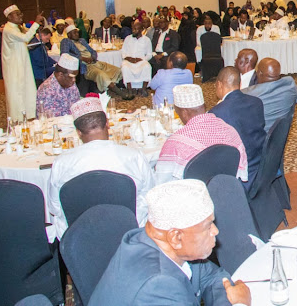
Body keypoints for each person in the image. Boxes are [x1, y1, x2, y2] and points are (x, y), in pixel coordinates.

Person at [89, 179, 252, 306]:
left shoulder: (156, 238)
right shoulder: (157, 287)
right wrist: (239, 303)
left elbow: (213, 276)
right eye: (207, 226)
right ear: (176, 237)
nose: (215, 231)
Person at [47, 97, 154, 240]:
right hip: (128, 234)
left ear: (78, 132)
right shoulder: (134, 156)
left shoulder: (62, 162)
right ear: (108, 124)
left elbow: (55, 208)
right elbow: (150, 195)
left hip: (78, 239)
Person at [156, 84, 248, 183]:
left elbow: (162, 182)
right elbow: (242, 173)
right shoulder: (230, 131)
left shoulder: (174, 143)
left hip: (192, 196)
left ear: (184, 113)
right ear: (204, 106)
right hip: (224, 193)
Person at [210, 67, 266, 190]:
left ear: (219, 84)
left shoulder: (216, 113)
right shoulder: (257, 102)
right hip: (260, 161)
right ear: (240, 84)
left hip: (239, 169)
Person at [2, 5, 45, 120]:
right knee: (17, 92)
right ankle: (17, 119)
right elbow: (26, 37)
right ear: (10, 16)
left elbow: (26, 39)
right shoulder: (9, 29)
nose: (21, 15)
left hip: (21, 63)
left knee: (26, 88)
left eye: (20, 13)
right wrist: (35, 23)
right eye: (17, 13)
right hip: (14, 66)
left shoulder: (16, 27)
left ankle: (29, 114)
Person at [60, 25, 127, 98]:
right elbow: (64, 53)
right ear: (69, 34)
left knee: (116, 70)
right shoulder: (66, 41)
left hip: (95, 62)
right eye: (74, 33)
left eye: (77, 32)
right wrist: (81, 58)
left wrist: (92, 57)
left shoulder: (82, 40)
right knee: (101, 75)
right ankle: (120, 93)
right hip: (85, 66)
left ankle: (120, 89)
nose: (77, 34)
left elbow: (93, 51)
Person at [242, 58, 297, 132]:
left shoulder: (247, 93)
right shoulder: (290, 85)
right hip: (279, 135)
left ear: (259, 73)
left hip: (255, 137)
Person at [121, 21, 153, 97]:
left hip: (141, 60)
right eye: (133, 29)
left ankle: (144, 88)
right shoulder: (128, 38)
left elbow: (149, 54)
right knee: (125, 67)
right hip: (128, 60)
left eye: (136, 29)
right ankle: (129, 89)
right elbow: (123, 52)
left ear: (141, 30)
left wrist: (141, 59)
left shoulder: (147, 40)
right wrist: (128, 58)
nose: (133, 31)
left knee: (147, 67)